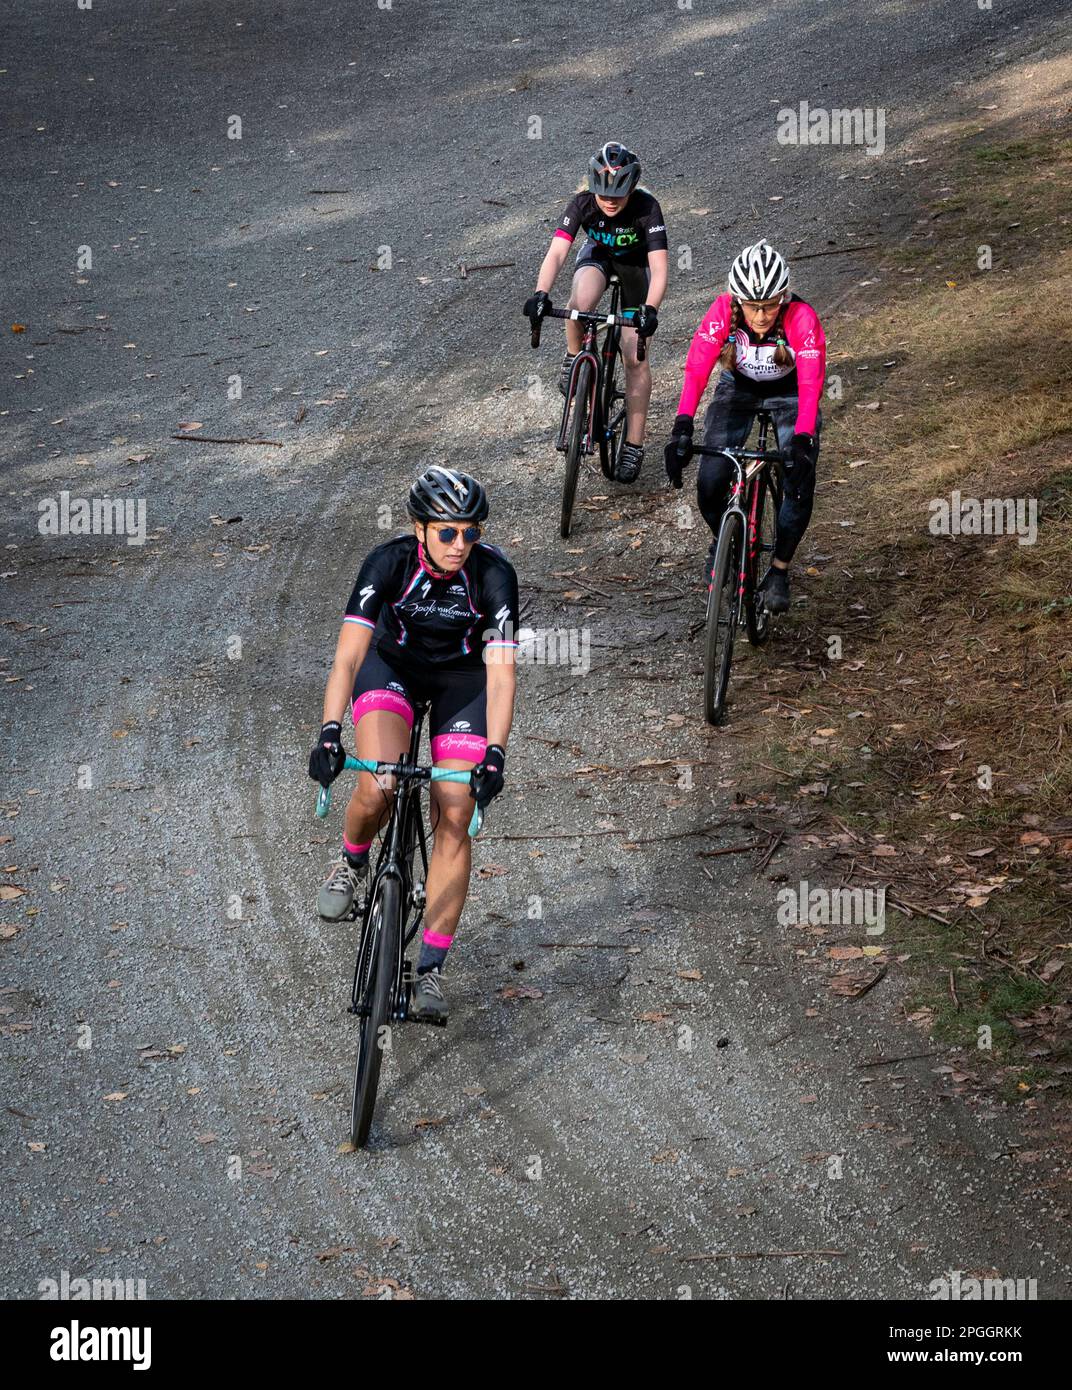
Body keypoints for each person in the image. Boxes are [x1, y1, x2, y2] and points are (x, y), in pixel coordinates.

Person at [307, 467, 519, 1022]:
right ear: (419, 527)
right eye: (447, 532)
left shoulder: (493, 574)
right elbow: (349, 657)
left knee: (455, 808)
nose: (460, 545)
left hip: (461, 683)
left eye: (470, 533)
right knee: (379, 783)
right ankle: (352, 862)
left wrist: (495, 752)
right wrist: (330, 731)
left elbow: (500, 676)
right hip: (391, 669)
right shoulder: (388, 562)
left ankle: (429, 969)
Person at [664, 239, 827, 610]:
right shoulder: (723, 310)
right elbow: (697, 368)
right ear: (737, 300)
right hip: (738, 388)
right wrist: (682, 427)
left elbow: (811, 382)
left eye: (770, 306)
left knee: (798, 482)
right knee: (709, 483)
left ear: (783, 298)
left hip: (791, 395)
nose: (761, 315)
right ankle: (725, 541)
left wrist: (802, 440)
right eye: (752, 306)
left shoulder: (801, 317)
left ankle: (780, 570)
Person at [523, 141, 668, 483]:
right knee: (580, 305)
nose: (609, 202)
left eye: (618, 196)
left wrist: (650, 309)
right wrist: (541, 294)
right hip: (598, 257)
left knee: (634, 357)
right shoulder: (583, 204)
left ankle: (634, 443)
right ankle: (574, 358)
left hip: (636, 270)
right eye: (604, 194)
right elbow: (557, 253)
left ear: (632, 188)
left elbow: (659, 270)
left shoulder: (648, 208)